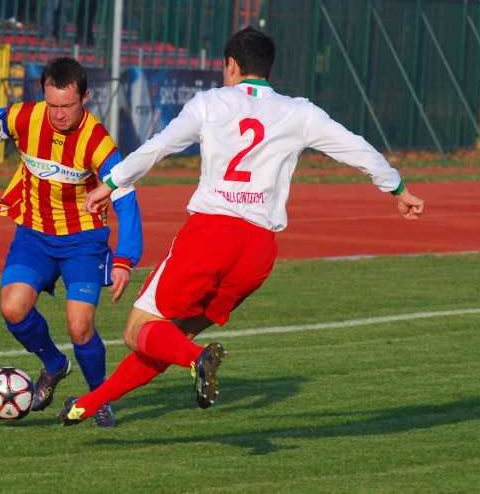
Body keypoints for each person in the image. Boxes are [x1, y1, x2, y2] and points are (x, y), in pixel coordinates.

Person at [56, 26, 425, 426]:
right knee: (171, 338)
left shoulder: (212, 102)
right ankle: (90, 403)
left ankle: (197, 361)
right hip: (258, 253)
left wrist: (111, 183)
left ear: (231, 65)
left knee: (138, 331)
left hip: (213, 234)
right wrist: (398, 188)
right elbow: (356, 147)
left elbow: (161, 145)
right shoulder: (300, 111)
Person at [0, 56, 143, 427]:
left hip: (83, 241)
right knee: (13, 308)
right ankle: (53, 364)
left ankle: (99, 399)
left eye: (68, 106)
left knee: (79, 327)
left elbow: (126, 201)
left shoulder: (99, 143)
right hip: (33, 234)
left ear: (85, 99)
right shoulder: (26, 117)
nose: (59, 115)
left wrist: (126, 258)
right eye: (53, 105)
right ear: (43, 96)